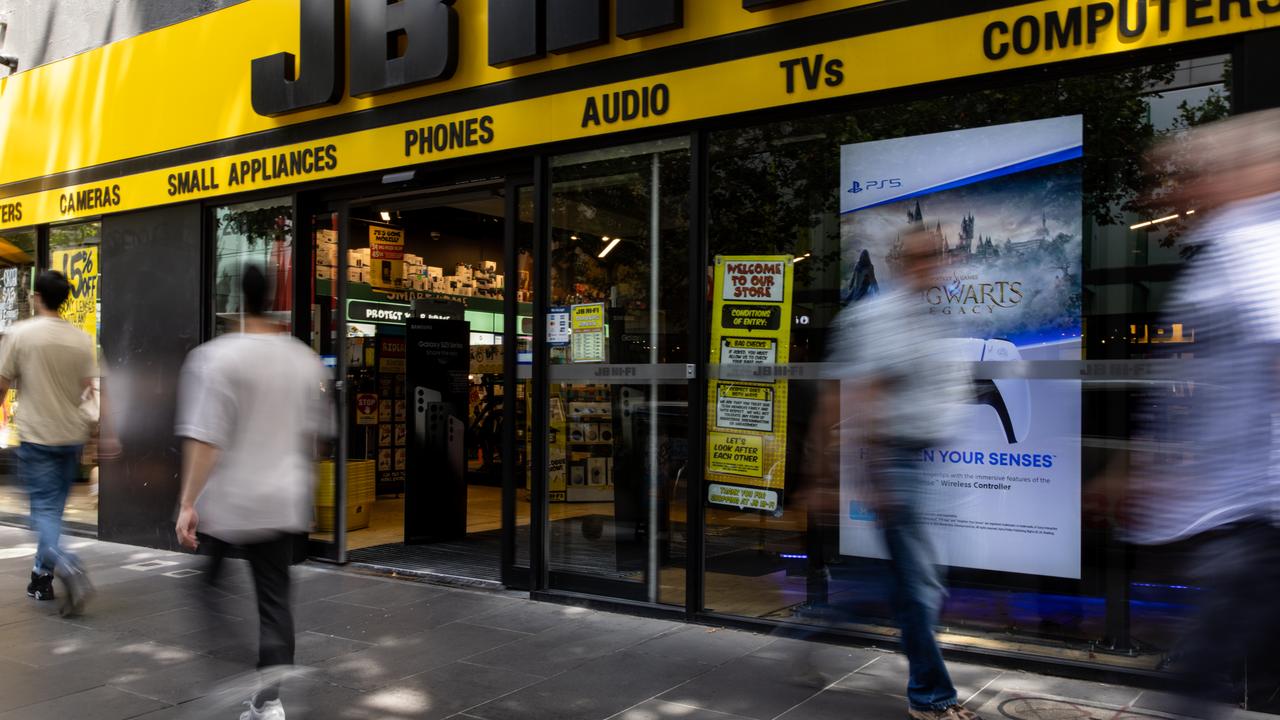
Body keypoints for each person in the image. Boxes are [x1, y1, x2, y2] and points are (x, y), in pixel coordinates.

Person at [1127, 109, 1280, 719]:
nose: (1180, 190)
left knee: (1197, 677)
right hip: (1241, 513)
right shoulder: (1230, 246)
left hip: (1256, 514)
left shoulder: (1253, 245)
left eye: (1198, 173)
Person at [813, 227, 977, 720]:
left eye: (942, 254)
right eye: (927, 256)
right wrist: (871, 476)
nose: (939, 263)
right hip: (896, 463)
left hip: (925, 464)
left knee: (907, 584)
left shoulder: (928, 317)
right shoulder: (882, 317)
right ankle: (931, 697)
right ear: (903, 263)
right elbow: (859, 396)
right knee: (919, 587)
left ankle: (813, 629)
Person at [175, 264, 331, 720]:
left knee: (206, 588)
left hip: (231, 501)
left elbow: (205, 438)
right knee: (276, 599)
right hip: (282, 498)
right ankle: (271, 698)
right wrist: (310, 497)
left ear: (237, 301)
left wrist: (187, 502)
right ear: (273, 298)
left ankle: (243, 670)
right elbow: (312, 439)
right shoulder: (302, 357)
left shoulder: (215, 357)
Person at [0, 269, 98, 615]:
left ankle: (67, 564)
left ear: (36, 297)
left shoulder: (21, 334)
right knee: (52, 512)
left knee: (40, 513)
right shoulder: (80, 338)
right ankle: (40, 579)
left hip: (37, 436)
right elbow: (90, 387)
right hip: (71, 437)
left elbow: (2, 384)